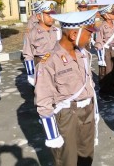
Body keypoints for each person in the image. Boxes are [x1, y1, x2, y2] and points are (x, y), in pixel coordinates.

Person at [35, 10, 99, 166]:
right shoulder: (49, 61)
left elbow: (89, 85)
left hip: (87, 111)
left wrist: (94, 112)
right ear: (73, 35)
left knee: (86, 154)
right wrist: (52, 135)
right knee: (66, 159)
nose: (91, 37)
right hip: (66, 115)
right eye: (88, 33)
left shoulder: (83, 55)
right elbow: (43, 101)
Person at [23, 0, 61, 86]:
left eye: (53, 14)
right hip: (41, 64)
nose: (52, 17)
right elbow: (28, 55)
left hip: (58, 65)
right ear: (39, 16)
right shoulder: (32, 33)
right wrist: (31, 74)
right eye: (48, 14)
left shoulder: (58, 31)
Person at [95, 4, 114, 102]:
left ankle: (112, 91)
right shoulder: (102, 27)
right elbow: (98, 42)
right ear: (106, 15)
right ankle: (104, 93)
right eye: (112, 12)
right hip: (106, 51)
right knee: (106, 72)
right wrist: (100, 58)